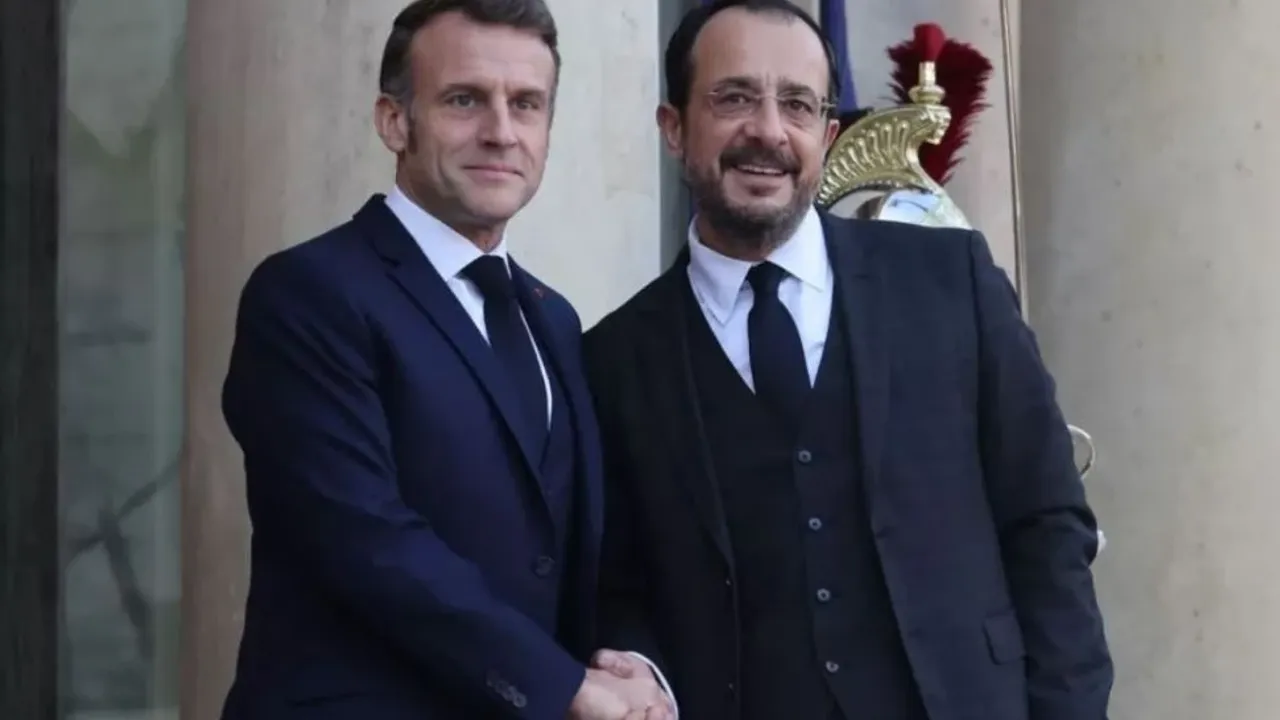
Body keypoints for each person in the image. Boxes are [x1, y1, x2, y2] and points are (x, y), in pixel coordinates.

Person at [583, 2, 1114, 719]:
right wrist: (640, 671)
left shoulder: (950, 282)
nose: (769, 130)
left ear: (828, 136)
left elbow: (1046, 521)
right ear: (674, 127)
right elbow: (617, 585)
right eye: (734, 98)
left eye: (797, 104)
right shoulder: (613, 359)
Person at [219, 1, 672, 718]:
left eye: (526, 104)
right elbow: (364, 539)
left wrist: (630, 664)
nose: (501, 131)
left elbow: (583, 547)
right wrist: (563, 688)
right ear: (394, 121)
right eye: (465, 100)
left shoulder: (553, 319)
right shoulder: (308, 294)